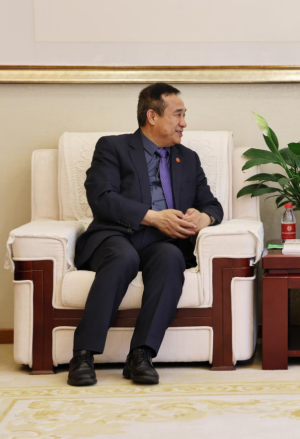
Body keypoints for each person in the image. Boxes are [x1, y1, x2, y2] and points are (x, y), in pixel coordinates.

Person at [67, 83, 223, 386]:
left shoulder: (188, 158)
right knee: (123, 257)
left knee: (170, 258)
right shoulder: (113, 147)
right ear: (152, 116)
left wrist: (204, 217)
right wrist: (151, 216)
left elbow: (211, 204)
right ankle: (83, 353)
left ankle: (141, 355)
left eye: (184, 115)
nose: (184, 123)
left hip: (160, 243)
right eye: (178, 115)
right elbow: (101, 197)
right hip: (115, 236)